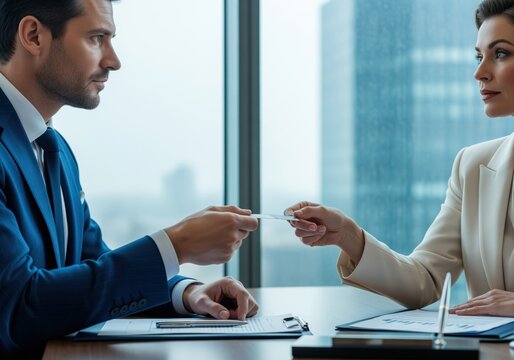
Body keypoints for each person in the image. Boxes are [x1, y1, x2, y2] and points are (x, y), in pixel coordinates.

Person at [0, 0, 259, 357]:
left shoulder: (53, 147)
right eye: (97, 38)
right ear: (33, 35)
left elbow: (88, 266)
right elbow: (19, 306)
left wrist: (186, 293)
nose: (113, 61)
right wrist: (174, 245)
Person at [286, 0, 514, 318]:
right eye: (479, 56)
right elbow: (424, 279)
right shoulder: (473, 166)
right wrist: (349, 236)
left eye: (500, 53)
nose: (479, 72)